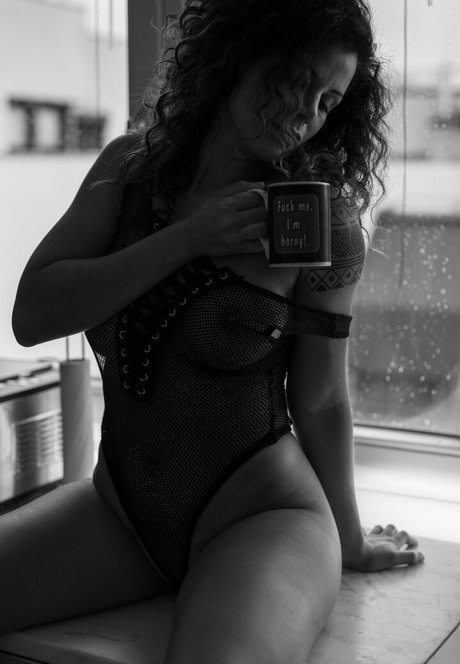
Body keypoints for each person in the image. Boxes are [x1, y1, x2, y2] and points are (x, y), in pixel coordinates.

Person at [5, 0, 424, 662]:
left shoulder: (315, 217)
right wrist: (186, 239)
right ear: (236, 57)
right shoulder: (129, 171)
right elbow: (32, 316)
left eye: (328, 100)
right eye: (296, 80)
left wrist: (349, 539)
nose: (305, 113)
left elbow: (320, 398)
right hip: (119, 513)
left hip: (265, 521)